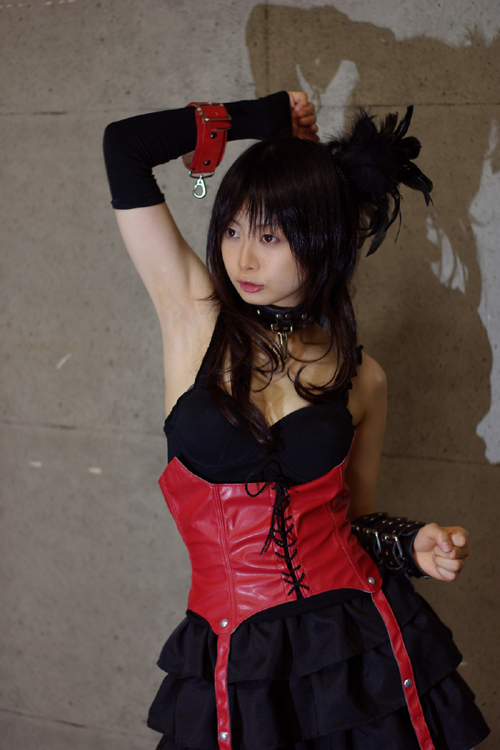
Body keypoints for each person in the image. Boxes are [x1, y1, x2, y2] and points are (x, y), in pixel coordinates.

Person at [103, 91, 490, 750]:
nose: (242, 259)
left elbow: (352, 519)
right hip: (238, 655)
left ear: (322, 241)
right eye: (231, 230)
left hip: (361, 644)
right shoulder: (195, 320)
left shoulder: (362, 377)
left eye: (270, 236)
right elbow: (125, 147)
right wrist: (265, 120)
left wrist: (411, 545)